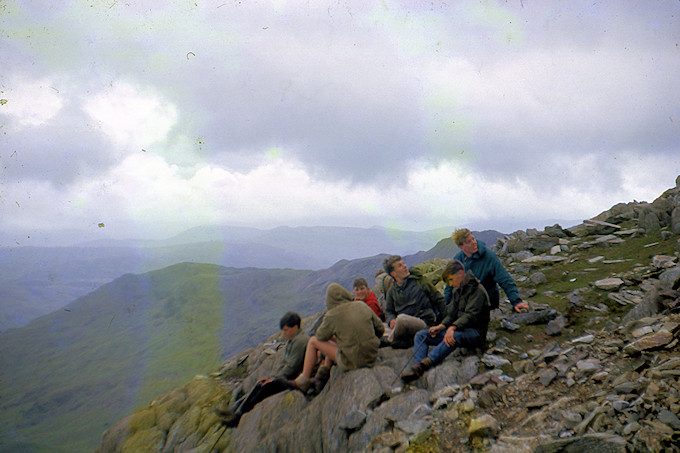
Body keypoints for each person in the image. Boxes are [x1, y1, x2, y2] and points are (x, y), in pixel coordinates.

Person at [401, 259, 490, 383]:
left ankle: (425, 364)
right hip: (459, 328)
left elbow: (470, 316)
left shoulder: (478, 290)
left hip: (476, 332)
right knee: (422, 334)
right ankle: (417, 366)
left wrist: (452, 328)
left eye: (451, 279)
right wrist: (441, 326)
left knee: (454, 336)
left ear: (461, 273)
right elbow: (451, 313)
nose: (450, 284)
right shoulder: (457, 290)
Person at [291, 283, 385, 393]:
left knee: (313, 341)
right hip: (372, 355)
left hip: (353, 362)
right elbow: (380, 329)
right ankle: (324, 372)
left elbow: (320, 336)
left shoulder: (333, 315)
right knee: (336, 337)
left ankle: (304, 381)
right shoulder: (361, 305)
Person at [221, 312, 309, 426]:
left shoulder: (300, 341)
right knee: (260, 383)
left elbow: (291, 367)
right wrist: (272, 377)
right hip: (285, 377)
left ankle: (238, 416)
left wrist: (274, 379)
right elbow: (284, 363)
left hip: (291, 380)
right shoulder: (294, 339)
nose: (284, 333)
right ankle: (234, 409)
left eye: (286, 330)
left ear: (295, 327)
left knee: (264, 387)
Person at [452, 229, 529, 313]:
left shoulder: (488, 256)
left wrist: (516, 301)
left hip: (487, 302)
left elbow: (504, 278)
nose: (474, 242)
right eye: (468, 241)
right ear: (461, 247)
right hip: (467, 302)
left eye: (473, 239)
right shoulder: (458, 259)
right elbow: (450, 285)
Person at [383, 255, 446, 348]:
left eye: (403, 263)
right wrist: (391, 320)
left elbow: (438, 299)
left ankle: (390, 340)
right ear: (393, 273)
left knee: (401, 319)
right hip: (403, 327)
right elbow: (389, 311)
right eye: (400, 265)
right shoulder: (392, 291)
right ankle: (402, 340)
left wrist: (446, 323)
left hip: (423, 322)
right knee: (381, 326)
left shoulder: (419, 281)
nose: (405, 266)